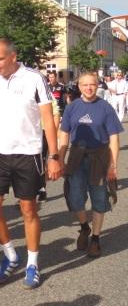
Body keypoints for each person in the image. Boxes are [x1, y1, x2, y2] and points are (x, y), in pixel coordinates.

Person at [0, 39, 61, 289]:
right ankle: (11, 255)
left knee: (28, 209)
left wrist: (54, 156)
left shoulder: (34, 78)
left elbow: (48, 119)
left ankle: (32, 262)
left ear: (13, 56)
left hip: (28, 154)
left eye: (0, 59)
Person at [59, 72, 123, 258]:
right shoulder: (72, 108)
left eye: (92, 85)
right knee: (76, 197)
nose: (88, 88)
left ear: (97, 86)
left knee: (99, 198)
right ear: (79, 87)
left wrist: (113, 166)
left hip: (99, 158)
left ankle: (95, 239)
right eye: (84, 85)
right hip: (76, 157)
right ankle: (84, 227)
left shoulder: (106, 108)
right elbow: (64, 134)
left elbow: (113, 139)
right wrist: (59, 159)